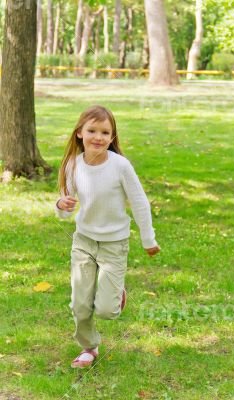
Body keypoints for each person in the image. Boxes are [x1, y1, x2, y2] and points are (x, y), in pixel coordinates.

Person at [55, 105, 160, 368]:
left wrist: (148, 240)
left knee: (106, 309)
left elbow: (139, 203)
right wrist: (61, 206)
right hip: (84, 242)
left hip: (114, 243)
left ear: (112, 137)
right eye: (92, 131)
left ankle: (116, 294)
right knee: (80, 304)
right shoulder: (73, 164)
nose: (98, 137)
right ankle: (89, 347)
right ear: (80, 133)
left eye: (105, 132)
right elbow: (66, 209)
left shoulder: (120, 166)